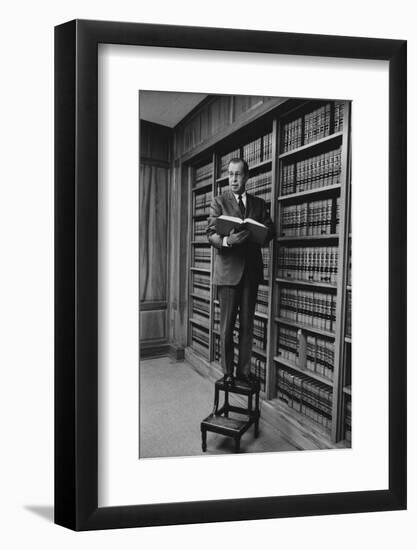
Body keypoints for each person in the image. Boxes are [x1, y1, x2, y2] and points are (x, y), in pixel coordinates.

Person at [207, 158, 275, 386]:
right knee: (226, 326)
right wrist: (228, 240)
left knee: (247, 325)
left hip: (251, 272)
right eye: (230, 174)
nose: (233, 179)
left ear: (246, 177)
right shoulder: (219, 202)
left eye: (238, 175)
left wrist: (261, 232)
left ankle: (243, 372)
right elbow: (211, 234)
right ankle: (227, 373)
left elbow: (270, 230)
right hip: (227, 273)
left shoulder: (258, 203)